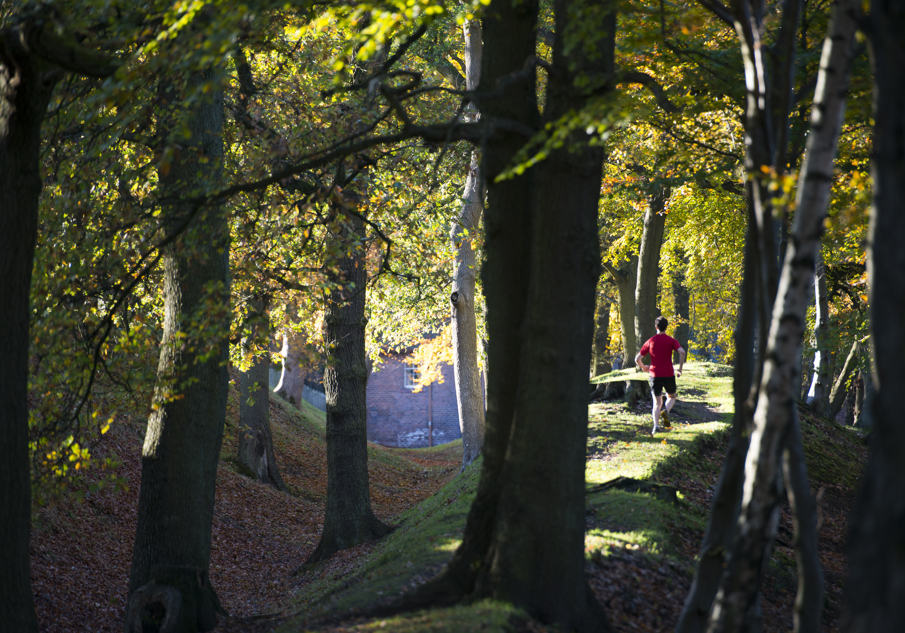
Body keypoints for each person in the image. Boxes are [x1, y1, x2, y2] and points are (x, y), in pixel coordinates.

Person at [635, 316, 686, 436]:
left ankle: (656, 427)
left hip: (654, 375)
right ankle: (666, 410)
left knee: (656, 402)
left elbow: (637, 359)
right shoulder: (671, 340)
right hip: (668, 374)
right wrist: (680, 368)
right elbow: (682, 352)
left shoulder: (650, 341)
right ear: (666, 327)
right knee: (672, 397)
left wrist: (644, 367)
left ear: (656, 327)